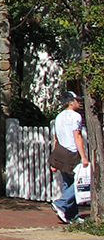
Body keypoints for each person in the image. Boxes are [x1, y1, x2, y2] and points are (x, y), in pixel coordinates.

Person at [50, 90, 89, 225]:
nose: (79, 102)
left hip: (60, 152)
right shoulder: (76, 116)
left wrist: (54, 159)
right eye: (77, 100)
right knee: (78, 182)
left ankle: (72, 215)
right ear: (71, 102)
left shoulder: (58, 117)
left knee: (68, 182)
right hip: (71, 153)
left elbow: (55, 138)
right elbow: (77, 136)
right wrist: (83, 156)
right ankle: (60, 203)